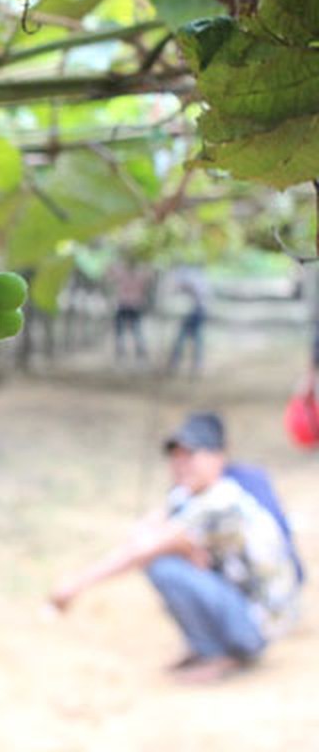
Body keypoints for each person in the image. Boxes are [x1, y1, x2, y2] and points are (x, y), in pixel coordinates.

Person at [51, 413, 301, 684]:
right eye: (176, 456)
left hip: (260, 624)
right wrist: (183, 547)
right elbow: (143, 533)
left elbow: (142, 550)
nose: (181, 465)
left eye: (190, 455)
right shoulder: (187, 495)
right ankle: (209, 649)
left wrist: (75, 585)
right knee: (166, 559)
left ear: (217, 457)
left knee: (163, 566)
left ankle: (221, 654)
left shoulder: (221, 503)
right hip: (239, 604)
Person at [167, 265, 210, 376]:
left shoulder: (193, 277)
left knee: (191, 339)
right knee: (185, 339)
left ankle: (191, 364)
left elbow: (195, 293)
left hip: (196, 311)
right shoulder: (195, 276)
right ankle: (177, 364)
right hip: (193, 311)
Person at [107, 257, 152, 363]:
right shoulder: (139, 274)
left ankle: (122, 353)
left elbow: (110, 273)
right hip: (134, 305)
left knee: (122, 331)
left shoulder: (123, 273)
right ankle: (138, 353)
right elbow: (149, 276)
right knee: (136, 330)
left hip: (124, 305)